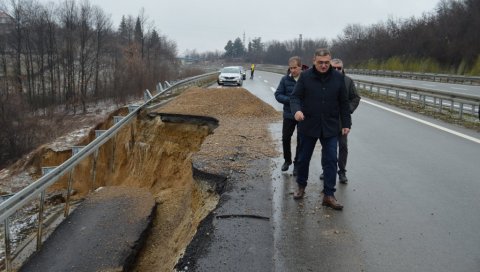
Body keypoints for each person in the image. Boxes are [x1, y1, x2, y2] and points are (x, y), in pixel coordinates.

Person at [290, 48, 351, 210]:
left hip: (330, 125)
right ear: (314, 61)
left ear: (330, 61)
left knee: (331, 160)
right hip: (308, 124)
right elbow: (295, 97)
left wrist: (346, 123)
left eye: (326, 62)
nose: (324, 66)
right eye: (320, 62)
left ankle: (329, 195)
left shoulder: (338, 78)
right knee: (303, 158)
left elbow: (344, 103)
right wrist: (296, 110)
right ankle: (301, 186)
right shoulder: (305, 76)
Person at [320, 58, 361, 184]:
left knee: (343, 146)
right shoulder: (324, 80)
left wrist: (347, 109)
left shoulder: (348, 81)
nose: (337, 70)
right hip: (327, 121)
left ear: (343, 68)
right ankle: (325, 170)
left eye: (339, 68)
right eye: (334, 68)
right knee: (327, 148)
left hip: (343, 121)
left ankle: (342, 172)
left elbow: (356, 97)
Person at [274, 56, 303, 175]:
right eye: (290, 68)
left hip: (302, 115)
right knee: (286, 138)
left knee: (301, 141)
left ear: (300, 67)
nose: (292, 70)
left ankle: (297, 164)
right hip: (289, 114)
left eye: (295, 68)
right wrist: (290, 100)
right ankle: (287, 160)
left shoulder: (306, 79)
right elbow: (278, 94)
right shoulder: (285, 80)